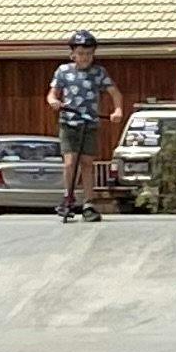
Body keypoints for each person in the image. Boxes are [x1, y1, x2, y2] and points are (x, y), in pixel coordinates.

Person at [49, 31, 118, 223]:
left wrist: (118, 110)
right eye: (80, 53)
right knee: (70, 162)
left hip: (90, 123)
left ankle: (88, 203)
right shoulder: (63, 71)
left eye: (88, 53)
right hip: (69, 122)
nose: (85, 57)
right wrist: (54, 101)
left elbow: (115, 93)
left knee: (87, 164)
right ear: (73, 54)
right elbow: (52, 94)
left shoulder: (99, 73)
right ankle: (68, 197)